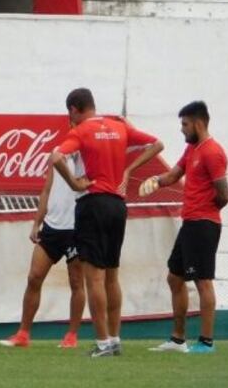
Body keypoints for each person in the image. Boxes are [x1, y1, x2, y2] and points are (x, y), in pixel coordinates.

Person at [49, 89, 163, 357]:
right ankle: (114, 338)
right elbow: (158, 144)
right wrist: (128, 170)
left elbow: (56, 158)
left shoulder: (80, 132)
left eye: (70, 114)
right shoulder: (117, 127)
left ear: (75, 109)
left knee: (94, 278)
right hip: (117, 206)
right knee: (112, 275)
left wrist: (73, 182)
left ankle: (102, 343)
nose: (71, 119)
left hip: (93, 203)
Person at [145, 101, 228, 354]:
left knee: (203, 281)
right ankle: (178, 340)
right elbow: (173, 175)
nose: (181, 130)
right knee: (174, 277)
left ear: (198, 123)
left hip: (203, 225)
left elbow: (224, 194)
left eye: (184, 124)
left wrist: (206, 210)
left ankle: (206, 342)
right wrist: (155, 181)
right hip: (190, 223)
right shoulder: (192, 149)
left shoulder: (212, 152)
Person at [0, 148, 86, 349]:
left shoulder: (89, 152)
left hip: (77, 227)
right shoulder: (57, 153)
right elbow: (47, 188)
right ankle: (23, 334)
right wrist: (36, 222)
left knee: (76, 282)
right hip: (52, 227)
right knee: (34, 277)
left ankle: (72, 336)